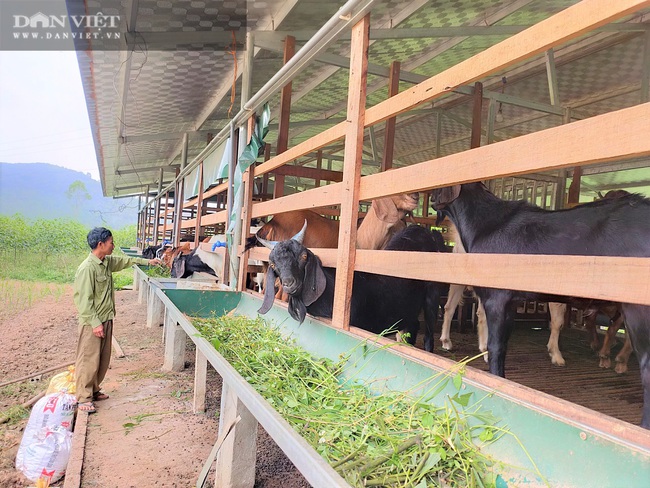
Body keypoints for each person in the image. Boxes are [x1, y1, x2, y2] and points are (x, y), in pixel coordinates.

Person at [73, 227, 161, 413]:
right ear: (101, 244)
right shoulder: (87, 268)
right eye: (111, 242)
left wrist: (148, 261)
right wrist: (95, 323)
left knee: (102, 359)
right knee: (88, 359)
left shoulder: (106, 262)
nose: (114, 246)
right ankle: (83, 398)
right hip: (93, 322)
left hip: (106, 318)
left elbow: (125, 261)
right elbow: (84, 301)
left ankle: (95, 390)